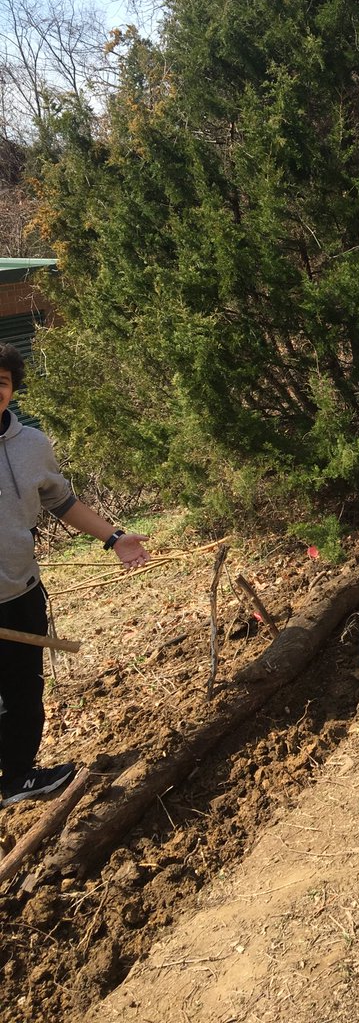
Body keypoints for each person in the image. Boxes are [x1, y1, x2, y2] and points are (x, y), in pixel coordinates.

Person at [0, 343, 151, 807]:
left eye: (1, 383)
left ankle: (18, 779)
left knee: (24, 692)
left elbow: (61, 502)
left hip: (20, 594)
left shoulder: (30, 446)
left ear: (11, 389)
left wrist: (114, 538)